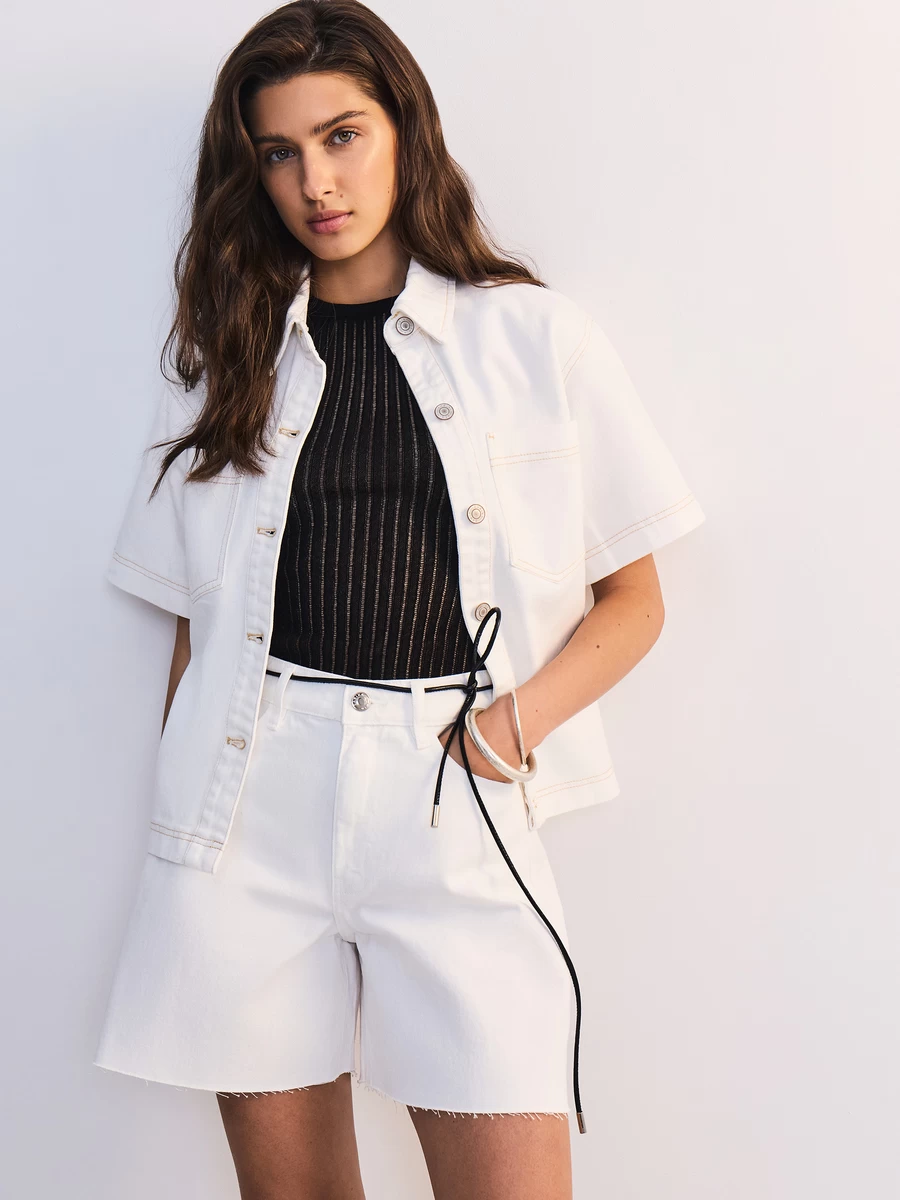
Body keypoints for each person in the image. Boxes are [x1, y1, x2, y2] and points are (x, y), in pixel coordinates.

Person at [93, 1, 706, 1196]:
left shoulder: (533, 338)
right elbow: (195, 628)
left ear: (404, 130)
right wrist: (189, 824)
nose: (316, 182)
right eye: (280, 152)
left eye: (343, 136)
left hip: (453, 787)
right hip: (253, 804)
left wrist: (507, 730)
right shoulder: (227, 357)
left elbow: (635, 597)